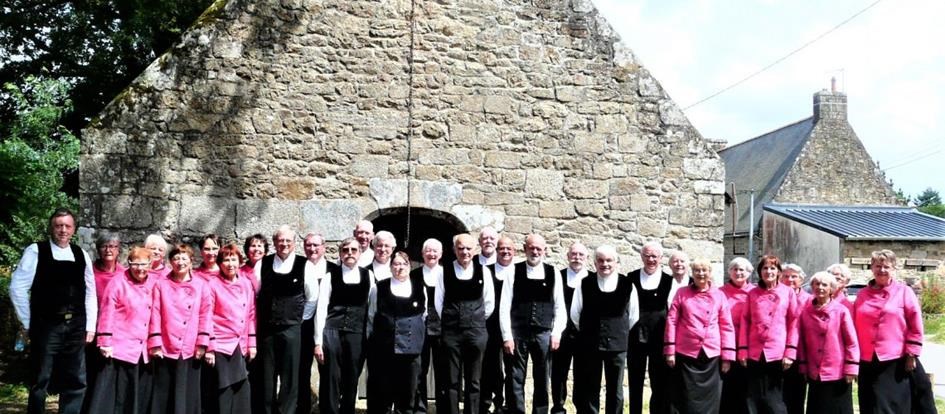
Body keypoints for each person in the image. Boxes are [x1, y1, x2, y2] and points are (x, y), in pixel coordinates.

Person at [9, 208, 97, 414]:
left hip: (76, 326)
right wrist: (29, 322)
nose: (63, 230)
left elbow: (91, 292)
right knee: (41, 379)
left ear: (73, 229)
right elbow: (17, 288)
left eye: (67, 226)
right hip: (46, 326)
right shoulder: (36, 250)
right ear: (51, 228)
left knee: (76, 380)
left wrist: (90, 326)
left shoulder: (81, 254)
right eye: (58, 226)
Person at [854, 250, 934, 414]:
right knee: (870, 403)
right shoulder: (862, 294)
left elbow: (915, 323)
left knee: (892, 404)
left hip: (894, 359)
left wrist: (912, 353)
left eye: (886, 266)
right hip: (867, 359)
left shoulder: (904, 292)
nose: (881, 270)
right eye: (878, 266)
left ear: (894, 268)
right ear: (871, 268)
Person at [253, 226, 319, 414]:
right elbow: (255, 294)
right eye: (280, 241)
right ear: (274, 243)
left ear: (294, 243)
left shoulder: (305, 265)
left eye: (288, 241)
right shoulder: (262, 264)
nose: (284, 244)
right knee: (266, 375)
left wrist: (299, 319)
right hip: (267, 329)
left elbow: (312, 297)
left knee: (290, 376)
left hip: (292, 329)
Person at [500, 234, 566, 414]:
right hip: (518, 333)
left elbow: (560, 306)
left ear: (544, 250)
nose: (535, 251)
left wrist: (557, 333)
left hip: (544, 334)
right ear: (525, 248)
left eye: (539, 248)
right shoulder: (513, 271)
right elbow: (504, 306)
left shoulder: (554, 273)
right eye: (532, 248)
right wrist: (507, 336)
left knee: (542, 378)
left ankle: (540, 411)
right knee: (515, 377)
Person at [87, 246, 157, 414]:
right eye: (135, 264)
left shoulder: (155, 282)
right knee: (116, 396)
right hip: (120, 348)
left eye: (144, 264)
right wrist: (104, 341)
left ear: (150, 264)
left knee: (138, 395)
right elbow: (107, 312)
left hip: (144, 348)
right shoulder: (118, 281)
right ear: (129, 263)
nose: (140, 268)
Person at [569, 245, 638, 414]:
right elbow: (575, 313)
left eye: (609, 260)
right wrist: (590, 332)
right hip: (591, 344)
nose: (604, 264)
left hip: (617, 345)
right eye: (600, 260)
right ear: (594, 263)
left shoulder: (628, 284)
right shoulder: (584, 283)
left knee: (616, 389)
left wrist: (617, 332)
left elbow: (633, 316)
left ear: (616, 262)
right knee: (590, 386)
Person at [663, 259, 735, 414]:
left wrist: (727, 357)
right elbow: (672, 321)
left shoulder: (719, 295)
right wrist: (670, 351)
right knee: (685, 396)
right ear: (692, 273)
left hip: (712, 354)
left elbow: (726, 326)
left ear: (710, 273)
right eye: (697, 270)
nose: (701, 274)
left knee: (711, 397)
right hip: (687, 352)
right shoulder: (681, 293)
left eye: (704, 270)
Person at [148, 243, 213, 414]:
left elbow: (206, 315)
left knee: (187, 394)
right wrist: (155, 342)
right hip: (166, 345)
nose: (180, 262)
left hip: (190, 347)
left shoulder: (201, 285)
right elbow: (155, 313)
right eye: (176, 258)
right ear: (170, 262)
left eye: (184, 258)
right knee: (164, 393)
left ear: (191, 261)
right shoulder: (161, 284)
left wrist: (202, 342)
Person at [436, 233, 496, 414]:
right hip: (451, 333)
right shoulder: (444, 271)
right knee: (451, 379)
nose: (465, 252)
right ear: (454, 250)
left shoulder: (484, 271)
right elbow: (439, 302)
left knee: (474, 380)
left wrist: (474, 321)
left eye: (468, 248)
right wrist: (452, 320)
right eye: (460, 248)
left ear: (475, 249)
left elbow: (489, 303)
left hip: (476, 332)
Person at [314, 237, 375, 414]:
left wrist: (370, 336)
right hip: (332, 332)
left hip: (357, 333)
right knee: (330, 378)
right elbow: (321, 308)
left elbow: (372, 309)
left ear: (360, 253)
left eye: (354, 250)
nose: (349, 253)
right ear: (340, 253)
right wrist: (318, 341)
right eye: (346, 250)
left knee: (352, 378)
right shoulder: (330, 276)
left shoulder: (368, 276)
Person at [366, 251, 427, 414]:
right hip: (384, 348)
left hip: (411, 349)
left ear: (409, 266)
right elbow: (372, 315)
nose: (400, 267)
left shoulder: (420, 287)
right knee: (384, 390)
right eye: (396, 264)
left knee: (408, 390)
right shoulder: (378, 288)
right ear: (391, 267)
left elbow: (424, 315)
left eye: (403, 264)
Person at [737, 255, 798, 414]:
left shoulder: (788, 292)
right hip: (755, 352)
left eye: (772, 268)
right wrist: (742, 350)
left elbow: (794, 322)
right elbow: (745, 321)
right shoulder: (752, 293)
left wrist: (790, 351)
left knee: (775, 397)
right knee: (753, 396)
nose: (768, 271)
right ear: (759, 272)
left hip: (777, 352)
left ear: (778, 272)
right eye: (765, 268)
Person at [204, 243, 257, 414]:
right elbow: (207, 317)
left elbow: (250, 314)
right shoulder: (212, 284)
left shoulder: (246, 284)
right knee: (223, 389)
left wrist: (252, 343)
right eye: (225, 260)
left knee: (242, 387)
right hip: (221, 345)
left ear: (239, 261)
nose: (230, 264)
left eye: (233, 259)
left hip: (240, 344)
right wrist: (210, 347)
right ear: (219, 263)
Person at [796, 271, 858, 414]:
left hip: (838, 371)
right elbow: (802, 343)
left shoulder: (841, 311)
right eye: (817, 284)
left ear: (832, 289)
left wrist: (852, 368)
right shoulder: (805, 312)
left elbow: (851, 342)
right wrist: (804, 367)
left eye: (825, 284)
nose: (820, 287)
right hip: (815, 371)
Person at [625, 241, 673, 414]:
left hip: (660, 337)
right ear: (641, 256)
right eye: (647, 256)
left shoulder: (669, 281)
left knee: (659, 382)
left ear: (661, 258)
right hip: (635, 337)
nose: (651, 259)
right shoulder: (630, 278)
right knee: (635, 380)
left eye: (654, 256)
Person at [83, 231, 126, 412]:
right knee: (89, 373)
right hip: (91, 330)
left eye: (113, 246)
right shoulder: (89, 271)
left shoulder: (124, 273)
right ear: (98, 249)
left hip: (114, 333)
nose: (108, 250)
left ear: (118, 250)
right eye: (104, 246)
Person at [551, 242, 592, 414]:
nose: (577, 258)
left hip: (584, 335)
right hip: (562, 333)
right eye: (573, 254)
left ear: (587, 258)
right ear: (567, 256)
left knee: (582, 374)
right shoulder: (558, 276)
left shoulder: (593, 280)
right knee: (559, 373)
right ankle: (559, 407)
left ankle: (581, 408)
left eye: (581, 255)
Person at [299, 232, 336, 414]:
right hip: (302, 327)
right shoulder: (298, 267)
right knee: (302, 369)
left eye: (316, 245)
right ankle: (303, 408)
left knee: (328, 372)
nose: (312, 249)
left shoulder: (334, 270)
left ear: (324, 247)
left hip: (327, 328)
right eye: (308, 245)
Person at [412, 239, 447, 414]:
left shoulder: (447, 274)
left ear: (440, 254)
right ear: (423, 254)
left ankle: (443, 408)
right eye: (428, 251)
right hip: (420, 327)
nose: (431, 254)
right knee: (420, 369)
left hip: (443, 328)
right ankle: (420, 408)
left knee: (443, 370)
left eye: (435, 251)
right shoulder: (414, 275)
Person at [481, 235, 514, 414]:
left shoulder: (519, 271)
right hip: (491, 326)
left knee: (512, 368)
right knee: (489, 367)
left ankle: (507, 405)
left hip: (513, 327)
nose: (505, 252)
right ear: (497, 250)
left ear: (514, 251)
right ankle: (486, 403)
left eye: (509, 249)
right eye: (502, 249)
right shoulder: (487, 271)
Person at [719, 257, 755, 414]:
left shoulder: (754, 292)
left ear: (749, 273)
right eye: (735, 269)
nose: (738, 272)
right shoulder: (720, 292)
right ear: (729, 272)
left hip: (748, 345)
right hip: (725, 344)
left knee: (746, 386)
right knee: (727, 385)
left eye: (742, 269)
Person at [780, 263, 811, 414]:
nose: (789, 280)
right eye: (785, 276)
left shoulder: (809, 300)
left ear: (801, 279)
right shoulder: (777, 295)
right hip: (777, 352)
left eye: (794, 276)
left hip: (800, 353)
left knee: (796, 396)